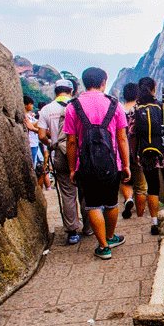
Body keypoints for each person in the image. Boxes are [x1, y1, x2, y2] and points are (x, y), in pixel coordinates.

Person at [64, 67, 130, 260]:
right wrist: (125, 165)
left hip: (85, 165)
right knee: (111, 203)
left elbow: (71, 141)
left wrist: (72, 168)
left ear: (85, 82)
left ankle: (103, 247)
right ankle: (110, 237)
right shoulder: (114, 105)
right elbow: (122, 139)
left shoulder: (72, 106)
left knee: (92, 205)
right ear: (103, 82)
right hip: (112, 164)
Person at [38, 79, 87, 244]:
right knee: (84, 190)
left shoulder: (46, 110)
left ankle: (72, 231)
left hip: (59, 154)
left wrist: (52, 144)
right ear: (71, 91)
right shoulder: (78, 105)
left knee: (67, 192)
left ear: (55, 91)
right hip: (80, 153)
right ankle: (89, 226)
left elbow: (41, 136)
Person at [130, 77, 164, 235]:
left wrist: (135, 154)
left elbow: (132, 135)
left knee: (153, 188)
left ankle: (154, 222)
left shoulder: (136, 110)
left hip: (147, 154)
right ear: (154, 88)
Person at [119, 83, 147, 219]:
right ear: (138, 95)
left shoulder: (118, 111)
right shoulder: (141, 110)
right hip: (139, 151)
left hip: (121, 150)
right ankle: (140, 216)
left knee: (125, 180)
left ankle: (128, 198)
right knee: (141, 186)